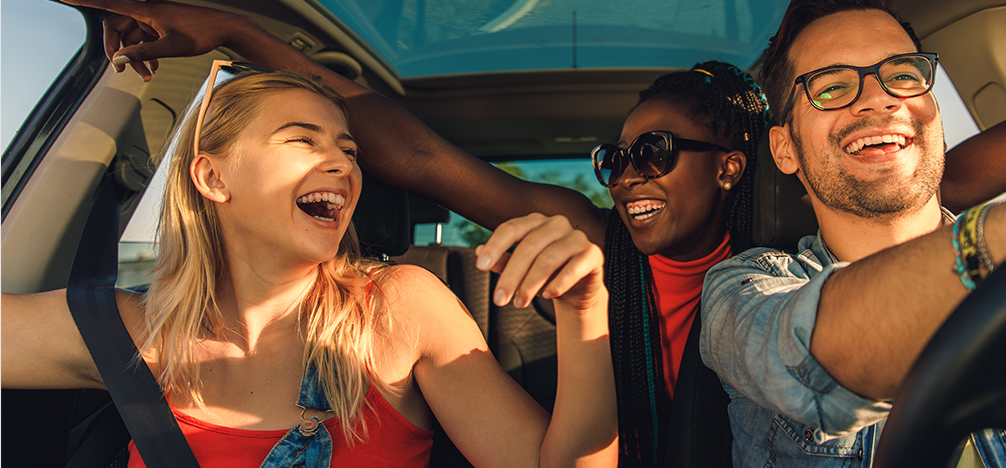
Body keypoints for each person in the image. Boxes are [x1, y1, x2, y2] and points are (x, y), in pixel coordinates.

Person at [57, 0, 1006, 465]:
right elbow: (421, 159)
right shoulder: (604, 244)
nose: (628, 178)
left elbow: (954, 187)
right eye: (615, 160)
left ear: (738, 163)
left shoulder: (805, 228)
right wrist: (237, 33)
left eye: (656, 152)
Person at [1, 67, 617, 467]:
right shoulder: (127, 328)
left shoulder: (399, 308)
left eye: (348, 150)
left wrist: (587, 312)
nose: (343, 164)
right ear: (212, 178)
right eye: (304, 140)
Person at [699, 0, 1006, 466]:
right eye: (830, 87)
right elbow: (813, 354)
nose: (879, 99)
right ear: (784, 149)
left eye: (903, 75)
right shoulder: (744, 291)